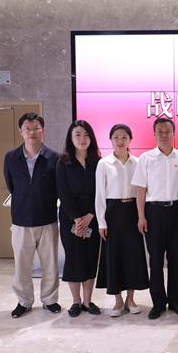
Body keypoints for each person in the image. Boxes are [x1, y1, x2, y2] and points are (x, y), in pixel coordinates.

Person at [4, 113, 61, 318]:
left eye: (36, 128)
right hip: (21, 221)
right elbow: (12, 185)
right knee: (22, 265)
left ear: (42, 130)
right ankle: (24, 301)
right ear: (21, 131)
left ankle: (50, 300)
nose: (32, 132)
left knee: (50, 264)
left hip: (47, 219)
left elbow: (57, 187)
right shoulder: (11, 157)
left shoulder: (54, 157)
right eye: (27, 128)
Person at [131, 118, 178, 320]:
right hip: (153, 213)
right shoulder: (146, 158)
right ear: (154, 134)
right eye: (160, 131)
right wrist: (141, 217)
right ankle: (158, 302)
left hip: (177, 212)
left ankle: (175, 300)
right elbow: (140, 190)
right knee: (155, 260)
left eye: (167, 131)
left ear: (174, 134)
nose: (164, 135)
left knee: (175, 259)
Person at [95, 124, 149, 317]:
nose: (120, 141)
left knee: (132, 256)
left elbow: (143, 191)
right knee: (114, 256)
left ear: (130, 140)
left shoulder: (138, 162)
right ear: (110, 140)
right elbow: (100, 195)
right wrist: (101, 222)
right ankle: (117, 300)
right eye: (116, 137)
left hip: (133, 212)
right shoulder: (104, 164)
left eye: (124, 137)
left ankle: (130, 299)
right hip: (113, 213)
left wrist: (142, 216)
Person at [56, 120, 102, 317]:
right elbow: (63, 193)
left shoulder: (98, 162)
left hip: (93, 215)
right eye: (77, 135)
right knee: (74, 258)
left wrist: (90, 215)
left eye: (86, 135)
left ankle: (87, 301)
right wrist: (77, 219)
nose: (82, 139)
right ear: (71, 138)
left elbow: (101, 191)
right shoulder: (63, 162)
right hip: (70, 217)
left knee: (91, 257)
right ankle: (75, 302)